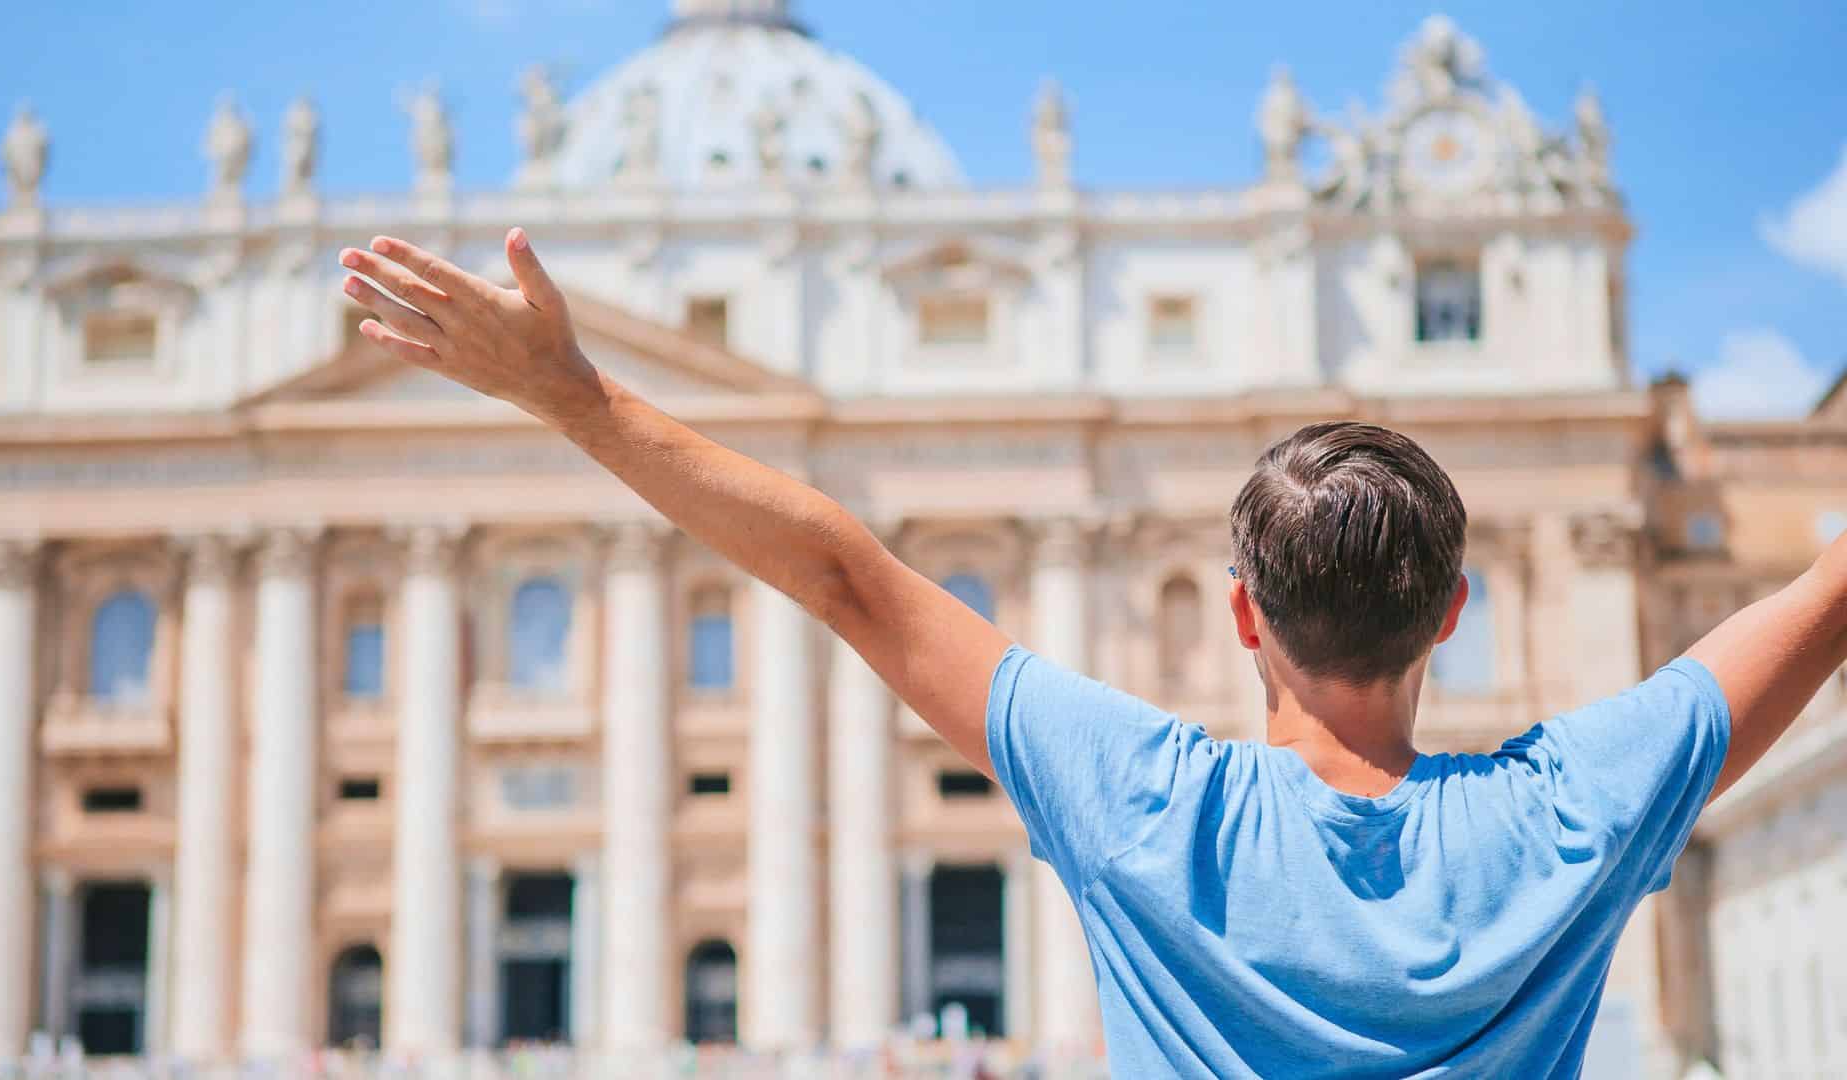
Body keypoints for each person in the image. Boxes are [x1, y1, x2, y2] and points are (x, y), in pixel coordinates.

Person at [337, 230, 1847, 1078]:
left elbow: (846, 575)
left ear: (1242, 615)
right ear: (1455, 612)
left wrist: (574, 400)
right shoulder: (1575, 812)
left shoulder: (1143, 803)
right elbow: (1822, 600)